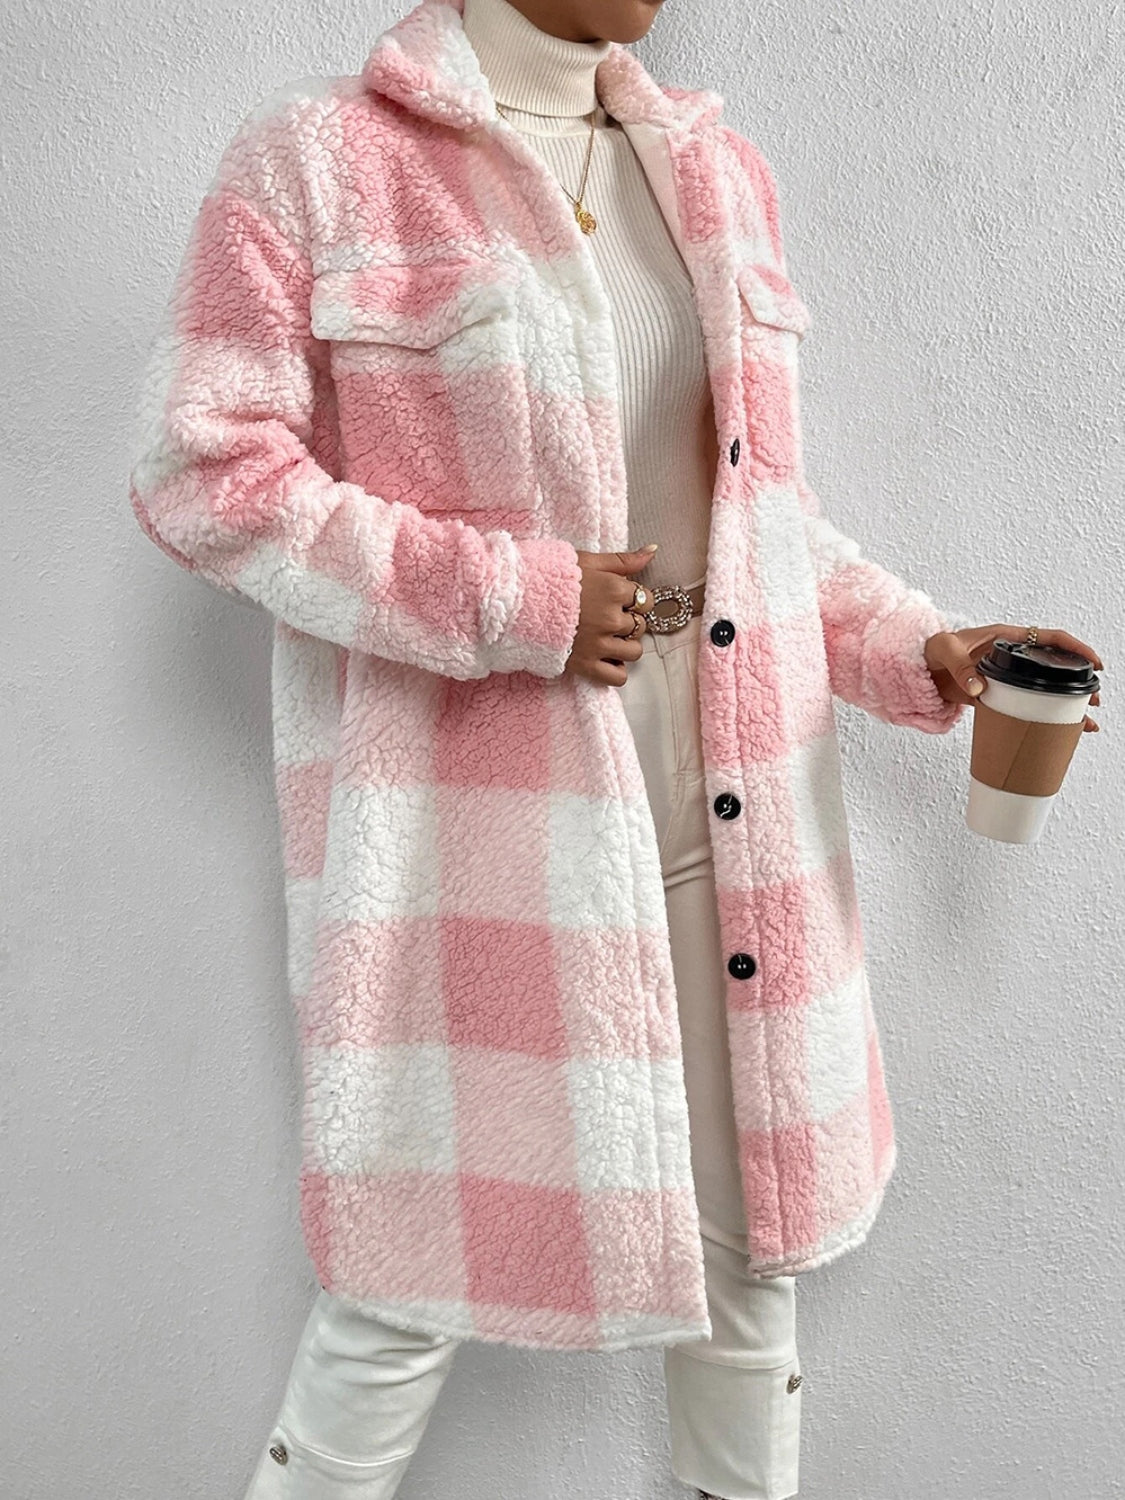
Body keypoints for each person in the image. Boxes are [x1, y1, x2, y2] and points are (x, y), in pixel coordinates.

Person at [128, 0, 1103, 1495]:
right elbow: (207, 473)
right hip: (481, 830)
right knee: (400, 1288)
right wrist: (509, 599)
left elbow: (757, 521)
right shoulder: (319, 158)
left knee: (750, 1247)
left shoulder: (711, 166)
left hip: (735, 796)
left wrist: (918, 645)